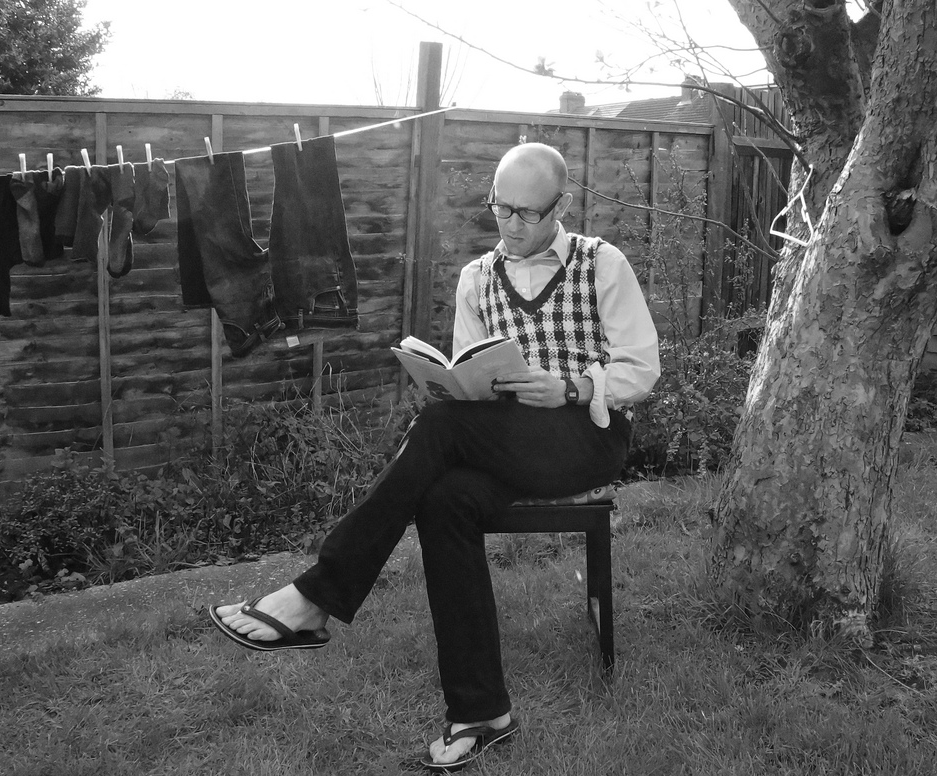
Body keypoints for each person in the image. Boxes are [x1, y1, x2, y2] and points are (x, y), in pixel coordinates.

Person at [209, 142, 660, 771]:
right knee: (445, 499)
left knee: (441, 428)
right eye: (500, 208)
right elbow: (471, 381)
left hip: (585, 437)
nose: (510, 225)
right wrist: (459, 384)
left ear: (560, 206)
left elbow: (642, 367)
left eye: (527, 213)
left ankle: (319, 593)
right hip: (504, 442)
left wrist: (569, 388)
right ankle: (482, 713)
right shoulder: (478, 277)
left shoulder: (601, 263)